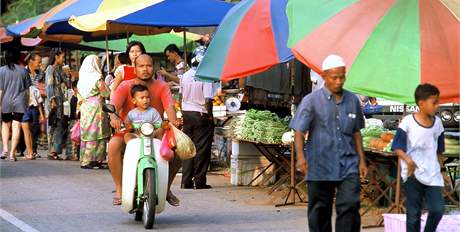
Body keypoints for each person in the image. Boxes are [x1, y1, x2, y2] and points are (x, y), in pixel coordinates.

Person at [290, 54, 368, 232]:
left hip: (348, 164)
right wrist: (301, 158)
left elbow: (356, 132)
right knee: (320, 211)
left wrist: (362, 160)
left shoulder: (352, 101)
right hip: (319, 164)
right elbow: (299, 132)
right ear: (324, 77)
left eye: (342, 76)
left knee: (349, 206)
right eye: (334, 77)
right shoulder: (311, 101)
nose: (339, 81)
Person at [109, 54, 180, 206]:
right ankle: (120, 189)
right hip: (129, 130)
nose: (145, 69)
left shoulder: (162, 86)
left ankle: (166, 188)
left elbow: (169, 106)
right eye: (141, 66)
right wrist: (113, 118)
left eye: (149, 65)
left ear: (153, 68)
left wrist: (174, 121)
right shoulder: (124, 86)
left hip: (155, 130)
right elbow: (113, 106)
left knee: (178, 149)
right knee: (113, 146)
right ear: (134, 69)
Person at [392, 84, 445, 232]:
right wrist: (408, 160)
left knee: (437, 209)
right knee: (413, 214)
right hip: (412, 174)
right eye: (434, 102)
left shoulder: (438, 124)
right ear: (421, 104)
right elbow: (397, 147)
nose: (437, 105)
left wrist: (442, 170)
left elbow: (439, 150)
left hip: (432, 173)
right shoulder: (407, 122)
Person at [180, 47, 216, 189]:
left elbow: (181, 95)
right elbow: (208, 99)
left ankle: (186, 181)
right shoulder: (206, 76)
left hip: (186, 113)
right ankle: (199, 181)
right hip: (201, 115)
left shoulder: (185, 75)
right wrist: (210, 115)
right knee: (201, 149)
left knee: (188, 148)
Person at [77, 55, 111, 169]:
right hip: (96, 109)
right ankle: (94, 160)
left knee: (88, 132)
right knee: (97, 133)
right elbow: (106, 93)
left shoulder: (81, 79)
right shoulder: (97, 78)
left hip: (85, 108)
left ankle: (85, 160)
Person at [0, 47, 31, 161]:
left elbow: (1, 90)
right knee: (16, 125)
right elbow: (27, 90)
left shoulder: (1, 71)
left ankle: (4, 150)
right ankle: (12, 153)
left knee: (5, 124)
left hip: (5, 101)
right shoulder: (23, 70)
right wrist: (27, 102)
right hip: (20, 101)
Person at [45, 48, 69, 160]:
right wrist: (52, 100)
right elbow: (49, 86)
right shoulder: (50, 69)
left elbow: (67, 83)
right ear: (56, 57)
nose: (63, 59)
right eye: (62, 57)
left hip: (59, 102)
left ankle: (55, 150)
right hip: (53, 102)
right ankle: (52, 151)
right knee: (53, 125)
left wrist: (67, 73)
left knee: (59, 124)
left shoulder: (59, 69)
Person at [22, 52, 46, 159]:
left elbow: (37, 91)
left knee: (35, 129)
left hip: (36, 104)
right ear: (31, 61)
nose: (40, 64)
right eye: (38, 62)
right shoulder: (23, 72)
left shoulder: (40, 73)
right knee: (26, 129)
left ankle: (32, 150)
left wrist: (41, 111)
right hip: (25, 104)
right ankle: (28, 150)